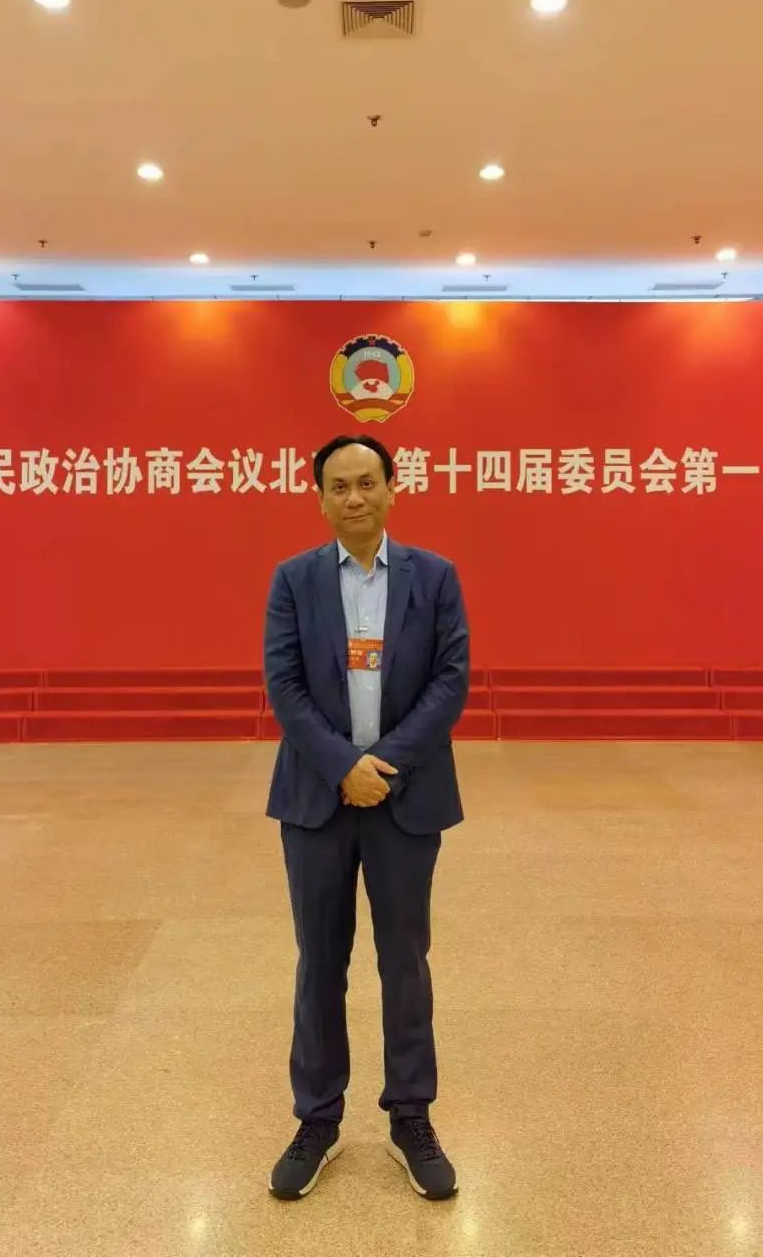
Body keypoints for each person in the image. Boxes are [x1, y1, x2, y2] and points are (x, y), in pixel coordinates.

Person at [263, 434, 470, 1202]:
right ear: (320, 498)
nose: (354, 497)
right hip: (316, 799)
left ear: (392, 488)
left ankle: (411, 1115)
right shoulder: (293, 579)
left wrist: (381, 764)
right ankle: (316, 1118)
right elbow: (284, 685)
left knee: (404, 961)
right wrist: (341, 766)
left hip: (404, 797)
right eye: (339, 486)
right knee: (319, 960)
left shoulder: (435, 576)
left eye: (367, 482)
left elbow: (450, 681)